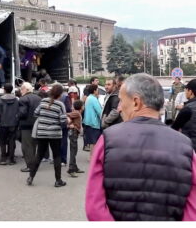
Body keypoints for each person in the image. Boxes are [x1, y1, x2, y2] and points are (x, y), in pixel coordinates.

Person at [86, 73, 196, 221]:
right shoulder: (186, 146)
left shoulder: (107, 139)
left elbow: (94, 207)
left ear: (136, 102)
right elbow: (193, 210)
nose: (120, 107)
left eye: (121, 101)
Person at [27, 84, 67, 187]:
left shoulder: (43, 101)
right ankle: (58, 181)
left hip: (42, 133)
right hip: (55, 134)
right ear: (60, 94)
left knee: (39, 155)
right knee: (57, 156)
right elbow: (63, 121)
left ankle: (31, 176)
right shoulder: (60, 105)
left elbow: (36, 113)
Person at [19, 82, 41, 172]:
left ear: (26, 89)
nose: (20, 91)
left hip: (26, 125)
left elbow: (22, 113)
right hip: (37, 124)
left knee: (26, 146)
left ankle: (30, 166)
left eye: (21, 89)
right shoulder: (39, 98)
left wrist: (17, 116)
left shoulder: (23, 99)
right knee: (34, 145)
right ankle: (34, 163)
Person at [0, 83, 19, 165]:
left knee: (2, 141)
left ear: (4, 89)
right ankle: (11, 159)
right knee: (12, 141)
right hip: (13, 123)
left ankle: (3, 159)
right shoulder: (16, 100)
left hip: (3, 123)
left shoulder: (0, 100)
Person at [172, 79, 196, 151]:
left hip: (191, 148)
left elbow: (174, 128)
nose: (185, 92)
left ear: (190, 91)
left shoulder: (187, 109)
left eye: (186, 90)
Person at [83, 84, 102, 159]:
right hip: (94, 122)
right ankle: (93, 157)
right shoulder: (93, 99)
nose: (98, 91)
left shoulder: (89, 98)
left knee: (92, 142)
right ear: (94, 91)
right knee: (94, 142)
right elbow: (99, 111)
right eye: (97, 90)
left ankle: (92, 156)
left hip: (88, 122)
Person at [67, 100, 85, 177]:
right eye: (83, 105)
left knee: (74, 150)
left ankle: (74, 167)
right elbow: (66, 115)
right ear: (81, 107)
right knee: (73, 151)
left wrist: (70, 123)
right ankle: (71, 169)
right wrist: (69, 124)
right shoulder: (76, 113)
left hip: (75, 133)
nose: (84, 107)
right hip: (73, 133)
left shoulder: (78, 113)